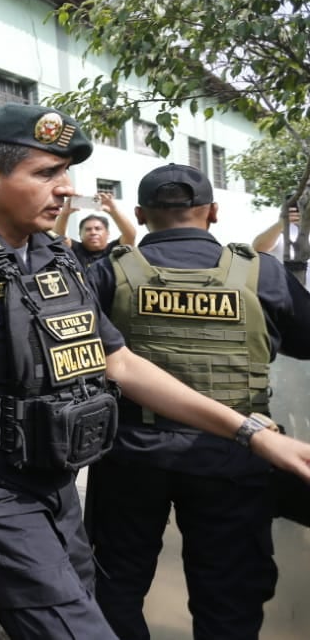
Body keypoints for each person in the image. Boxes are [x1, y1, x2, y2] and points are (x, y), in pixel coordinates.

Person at [0, 103, 310, 638]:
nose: (66, 188)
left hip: (57, 482)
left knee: (86, 611)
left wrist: (250, 432)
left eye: (66, 172)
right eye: (47, 173)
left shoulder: (57, 259)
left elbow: (119, 362)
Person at [83, 163, 310, 639]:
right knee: (229, 600)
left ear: (141, 215)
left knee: (114, 589)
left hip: (130, 457)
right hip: (237, 456)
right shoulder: (261, 272)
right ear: (213, 211)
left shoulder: (107, 270)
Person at [54, 191, 136, 269]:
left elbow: (130, 235)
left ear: (108, 233)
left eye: (98, 229)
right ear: (79, 234)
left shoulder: (115, 249)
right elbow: (57, 238)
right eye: (88, 229)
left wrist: (113, 211)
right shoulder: (75, 249)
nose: (93, 232)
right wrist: (64, 214)